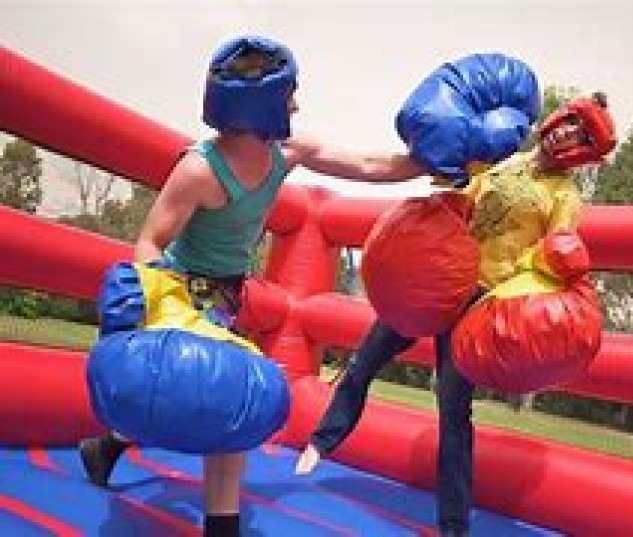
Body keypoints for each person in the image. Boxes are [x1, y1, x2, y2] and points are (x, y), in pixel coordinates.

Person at [78, 34, 424, 537]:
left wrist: (428, 160)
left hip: (225, 295)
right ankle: (222, 525)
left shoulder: (287, 151)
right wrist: (155, 309)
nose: (296, 106)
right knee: (225, 402)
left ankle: (105, 447)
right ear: (262, 103)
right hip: (178, 290)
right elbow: (151, 240)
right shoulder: (199, 168)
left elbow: (368, 165)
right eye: (289, 96)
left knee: (210, 395)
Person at [295, 85, 616, 537]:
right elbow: (463, 198)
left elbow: (551, 252)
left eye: (579, 133)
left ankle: (453, 525)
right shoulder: (507, 160)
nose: (566, 134)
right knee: (365, 359)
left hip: (478, 303)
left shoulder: (563, 197)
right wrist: (452, 179)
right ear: (556, 120)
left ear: (584, 150)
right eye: (569, 123)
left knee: (453, 413)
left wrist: (548, 272)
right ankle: (322, 441)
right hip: (438, 279)